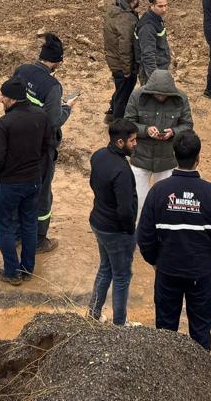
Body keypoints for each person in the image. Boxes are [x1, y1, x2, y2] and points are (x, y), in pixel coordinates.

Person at [137, 130, 211, 350]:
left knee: (165, 331)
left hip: (167, 271)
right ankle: (202, 377)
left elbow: (144, 235)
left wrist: (155, 262)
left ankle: (165, 375)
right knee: (200, 331)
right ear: (198, 158)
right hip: (200, 273)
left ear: (174, 156)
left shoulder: (158, 191)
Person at [13, 32, 72, 251]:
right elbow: (54, 121)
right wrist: (67, 108)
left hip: (17, 140)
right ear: (57, 62)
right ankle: (38, 239)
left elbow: (10, 97)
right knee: (42, 193)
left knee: (19, 186)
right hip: (41, 148)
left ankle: (17, 232)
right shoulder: (52, 86)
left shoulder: (21, 70)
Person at [0, 76, 50, 285]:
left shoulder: (5, 123)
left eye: (3, 97)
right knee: (29, 224)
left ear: (13, 99)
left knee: (4, 225)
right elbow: (46, 148)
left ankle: (11, 272)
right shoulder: (41, 116)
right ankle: (27, 269)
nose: (1, 100)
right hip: (33, 180)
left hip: (10, 184)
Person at [88, 119, 139, 325]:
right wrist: (129, 232)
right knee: (121, 276)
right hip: (116, 230)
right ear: (120, 142)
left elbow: (93, 184)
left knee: (105, 268)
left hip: (98, 221)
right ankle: (120, 323)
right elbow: (125, 209)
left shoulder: (99, 155)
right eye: (132, 140)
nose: (135, 144)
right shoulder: (122, 170)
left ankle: (94, 313)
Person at [124, 68, 192, 215]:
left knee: (167, 204)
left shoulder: (181, 98)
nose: (161, 97)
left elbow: (187, 125)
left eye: (164, 95)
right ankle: (138, 233)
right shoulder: (137, 95)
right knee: (138, 203)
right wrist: (146, 130)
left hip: (167, 159)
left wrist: (173, 132)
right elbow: (128, 123)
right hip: (140, 157)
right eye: (157, 94)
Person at [103, 0, 140, 123]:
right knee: (124, 95)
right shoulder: (126, 18)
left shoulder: (114, 9)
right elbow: (125, 46)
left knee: (120, 90)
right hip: (121, 64)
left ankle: (111, 114)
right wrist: (127, 70)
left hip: (113, 59)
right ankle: (118, 125)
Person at [134, 0, 171, 83]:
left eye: (166, 5)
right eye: (160, 6)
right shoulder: (148, 26)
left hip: (160, 69)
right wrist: (155, 79)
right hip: (152, 73)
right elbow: (148, 55)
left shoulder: (156, 19)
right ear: (152, 6)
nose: (164, 9)